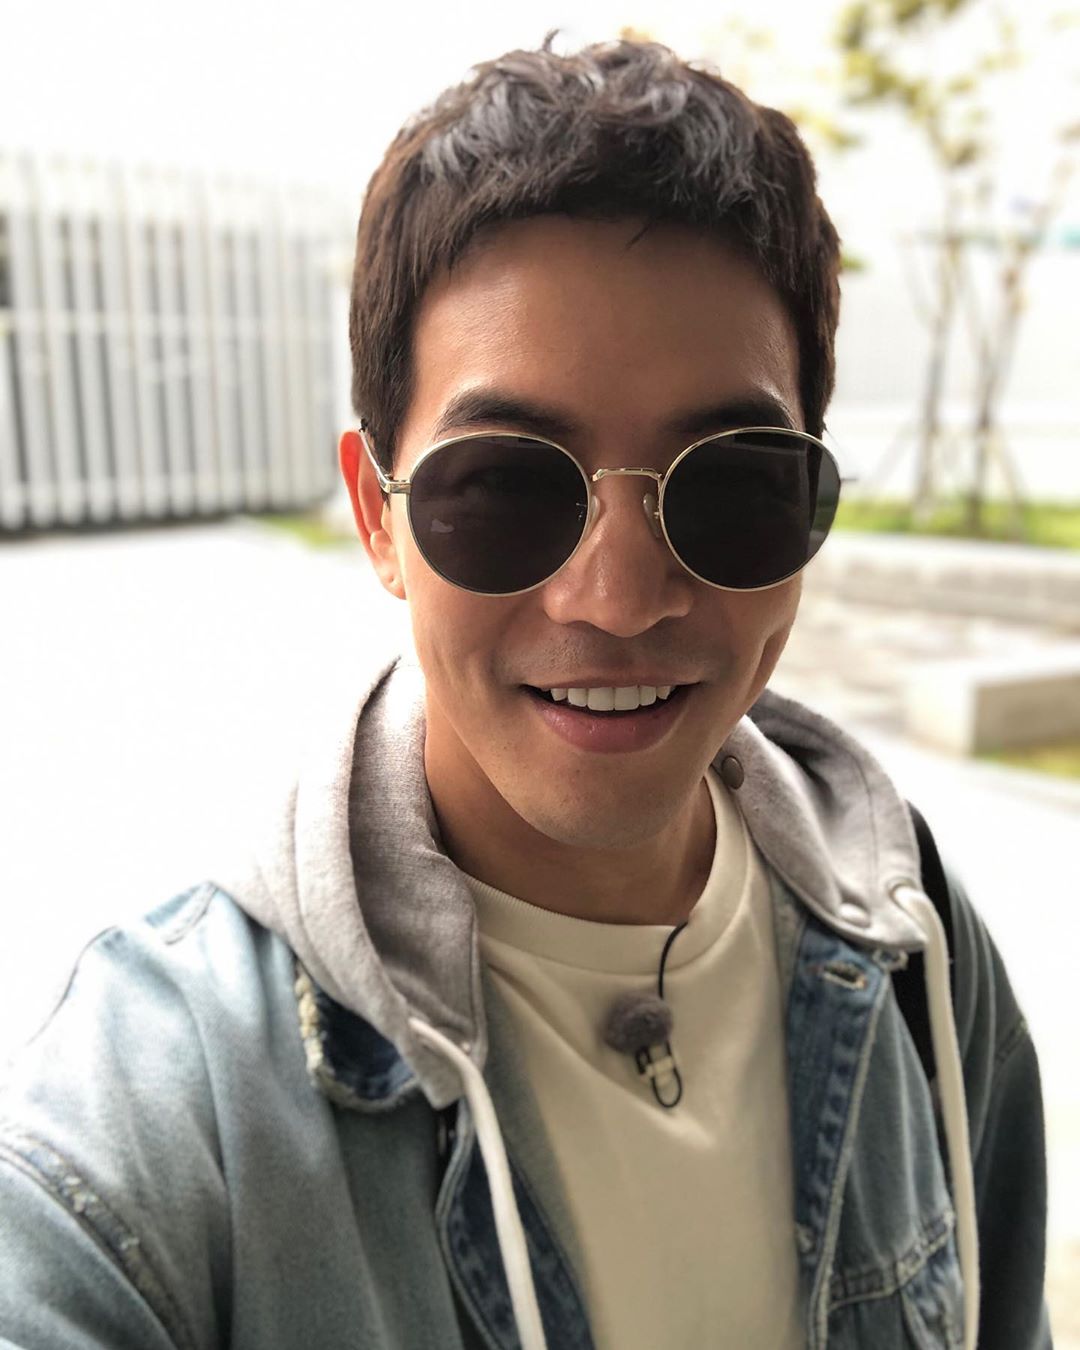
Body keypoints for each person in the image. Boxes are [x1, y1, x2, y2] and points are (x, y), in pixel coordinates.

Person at [0, 38, 1050, 1350]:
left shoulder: (914, 941)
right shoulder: (157, 1121)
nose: (619, 598)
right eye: (504, 485)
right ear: (376, 517)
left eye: (730, 483)